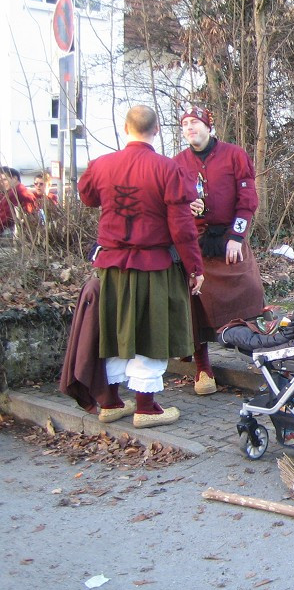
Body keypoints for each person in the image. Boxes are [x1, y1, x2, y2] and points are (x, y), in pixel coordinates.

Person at [76, 105, 204, 428]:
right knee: (151, 330)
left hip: (111, 266)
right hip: (153, 266)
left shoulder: (100, 165)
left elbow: (87, 196)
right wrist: (195, 268)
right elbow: (183, 227)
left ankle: (110, 401)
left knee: (117, 328)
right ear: (157, 130)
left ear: (125, 127)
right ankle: (145, 408)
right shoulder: (167, 169)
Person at [173, 105, 265, 396]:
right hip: (194, 241)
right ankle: (203, 368)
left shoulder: (234, 155)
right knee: (195, 303)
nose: (190, 128)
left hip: (229, 238)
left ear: (208, 127)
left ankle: (262, 357)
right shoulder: (176, 164)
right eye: (185, 123)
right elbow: (171, 204)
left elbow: (248, 197)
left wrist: (237, 236)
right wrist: (185, 208)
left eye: (195, 123)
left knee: (250, 293)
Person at [0, 166, 37, 236]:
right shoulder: (22, 190)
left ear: (15, 178)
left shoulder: (15, 193)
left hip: (16, 232)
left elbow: (5, 218)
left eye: (5, 180)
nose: (2, 183)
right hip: (28, 231)